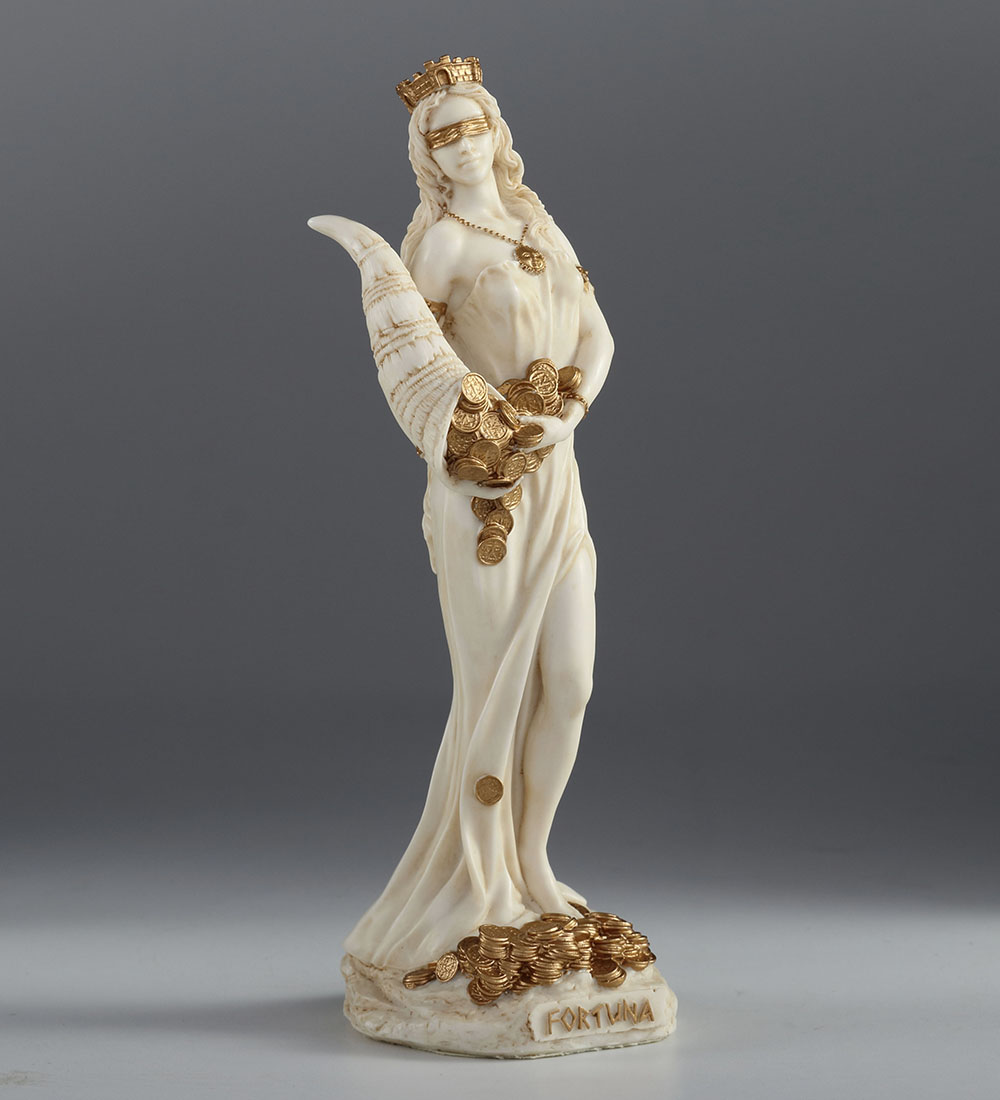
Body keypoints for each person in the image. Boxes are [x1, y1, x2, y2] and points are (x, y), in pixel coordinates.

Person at [335, 62, 614, 972]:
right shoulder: (442, 248)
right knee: (497, 690)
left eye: (472, 127)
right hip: (485, 493)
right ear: (424, 153)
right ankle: (486, 880)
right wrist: (485, 439)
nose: (461, 146)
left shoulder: (539, 223)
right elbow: (420, 375)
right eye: (441, 136)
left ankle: (535, 861)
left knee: (568, 681)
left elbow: (597, 335)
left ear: (498, 131)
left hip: (556, 471)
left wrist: (567, 416)